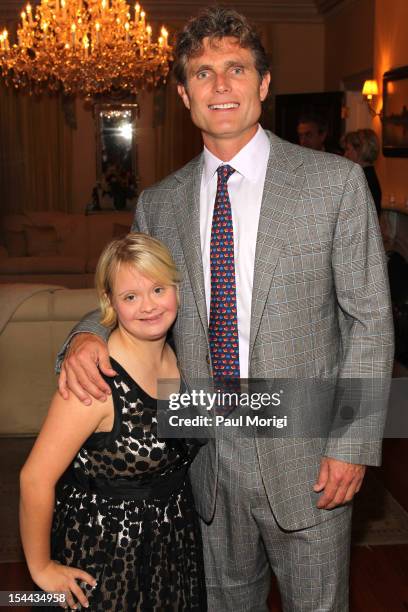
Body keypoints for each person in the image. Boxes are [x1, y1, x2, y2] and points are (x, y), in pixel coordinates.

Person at [56, 7, 394, 612]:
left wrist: (353, 442)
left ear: (263, 84)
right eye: (203, 72)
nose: (221, 85)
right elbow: (128, 300)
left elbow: (370, 322)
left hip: (308, 448)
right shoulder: (160, 204)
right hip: (205, 452)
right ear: (184, 94)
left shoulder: (332, 184)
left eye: (236, 69)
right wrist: (84, 338)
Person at [20, 233, 207, 611]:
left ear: (177, 290)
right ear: (110, 303)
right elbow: (34, 478)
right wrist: (40, 569)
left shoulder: (178, 356)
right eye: (130, 296)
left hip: (170, 548)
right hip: (103, 557)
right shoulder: (95, 379)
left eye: (158, 289)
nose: (149, 306)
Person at [343, 128, 382, 218]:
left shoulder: (362, 178)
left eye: (348, 149)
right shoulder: (369, 175)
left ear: (360, 150)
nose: (345, 154)